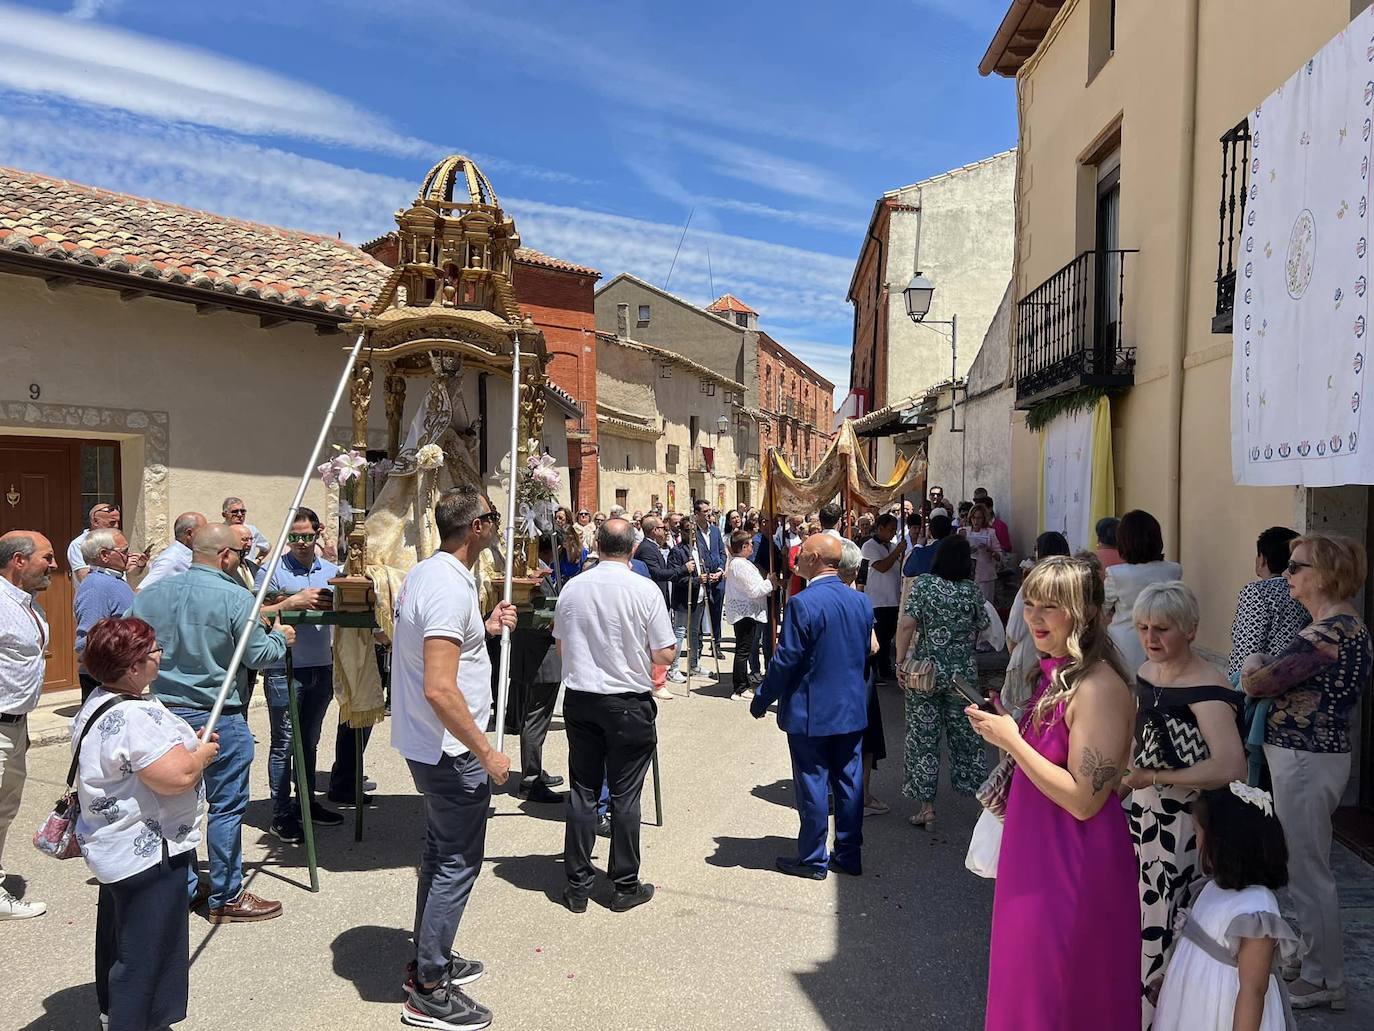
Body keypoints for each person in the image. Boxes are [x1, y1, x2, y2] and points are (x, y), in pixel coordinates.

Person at [967, 555, 1140, 1030]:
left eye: (1051, 607)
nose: (1034, 617)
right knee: (1024, 990)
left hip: (1073, 862)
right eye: (1031, 604)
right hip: (1035, 853)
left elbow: (1086, 800)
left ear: (1082, 612)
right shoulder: (1056, 675)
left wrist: (1013, 741)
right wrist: (1005, 723)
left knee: (1060, 998)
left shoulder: (1098, 687)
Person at [390, 485, 517, 1028]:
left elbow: (439, 651)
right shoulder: (445, 584)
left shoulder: (434, 574)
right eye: (491, 516)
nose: (495, 524)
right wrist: (486, 751)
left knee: (441, 854)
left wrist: (482, 631)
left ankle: (430, 956)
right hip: (449, 750)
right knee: (456, 863)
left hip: (434, 745)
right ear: (476, 527)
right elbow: (440, 689)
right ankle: (429, 986)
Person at [130, 523, 292, 923]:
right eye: (239, 552)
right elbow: (258, 656)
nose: (241, 559)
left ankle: (184, 886)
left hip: (163, 712)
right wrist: (281, 638)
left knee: (173, 804)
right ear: (225, 556)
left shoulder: (150, 595)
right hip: (216, 714)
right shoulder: (236, 598)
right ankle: (226, 894)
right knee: (226, 805)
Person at [1240, 533, 1372, 1011]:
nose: (1288, 574)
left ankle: (1324, 977)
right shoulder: (1335, 626)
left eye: (1297, 567)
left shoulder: (1328, 633)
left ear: (1325, 575)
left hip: (1305, 758)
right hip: (1308, 756)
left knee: (1308, 867)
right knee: (1304, 862)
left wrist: (1254, 662)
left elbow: (1257, 680)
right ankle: (1316, 960)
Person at [72, 617, 217, 1031]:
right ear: (133, 666)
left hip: (117, 848)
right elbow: (176, 778)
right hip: (149, 854)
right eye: (153, 651)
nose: (160, 656)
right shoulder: (134, 715)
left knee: (120, 940)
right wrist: (201, 757)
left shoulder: (99, 700)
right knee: (148, 953)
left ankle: (113, 1014)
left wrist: (190, 746)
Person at [1119, 581, 1246, 1024]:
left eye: (1162, 629)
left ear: (1190, 630)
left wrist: (1153, 777)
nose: (1151, 638)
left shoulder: (1208, 689)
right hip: (1143, 817)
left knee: (1168, 925)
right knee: (1140, 922)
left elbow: (1232, 768)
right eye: (1143, 628)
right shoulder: (1148, 673)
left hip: (1185, 830)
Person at [555, 518, 676, 913]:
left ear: (600, 545)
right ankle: (623, 884)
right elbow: (664, 652)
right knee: (625, 795)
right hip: (626, 701)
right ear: (631, 548)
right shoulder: (643, 589)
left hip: (582, 697)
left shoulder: (573, 587)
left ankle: (577, 885)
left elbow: (562, 646)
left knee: (583, 791)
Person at [751, 533, 874, 878]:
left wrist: (763, 698)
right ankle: (849, 854)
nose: (797, 557)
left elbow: (786, 658)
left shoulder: (804, 603)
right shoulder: (859, 602)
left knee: (813, 784)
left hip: (813, 711)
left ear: (818, 557)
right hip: (850, 708)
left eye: (803, 552)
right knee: (849, 784)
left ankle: (813, 858)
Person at [1151, 784, 1297, 1031]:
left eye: (1198, 833)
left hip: (1223, 1014)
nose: (1195, 841)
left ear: (1225, 844)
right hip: (1191, 1007)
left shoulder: (1255, 911)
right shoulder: (1209, 889)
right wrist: (1170, 981)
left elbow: (1253, 990)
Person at [254, 508, 341, 843]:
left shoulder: (332, 571)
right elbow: (255, 613)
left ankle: (306, 803)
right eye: (295, 537)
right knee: (283, 743)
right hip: (284, 668)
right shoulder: (272, 571)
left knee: (309, 741)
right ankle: (281, 812)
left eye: (307, 536)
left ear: (318, 533)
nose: (302, 543)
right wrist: (293, 600)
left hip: (321, 665)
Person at [894, 536, 989, 829]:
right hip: (963, 674)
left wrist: (900, 661)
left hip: (926, 671)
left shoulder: (924, 584)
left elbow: (907, 623)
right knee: (968, 739)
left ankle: (927, 809)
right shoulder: (971, 590)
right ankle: (980, 805)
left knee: (923, 737)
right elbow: (984, 625)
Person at [0, 530, 56, 920]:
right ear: (19, 561)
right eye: (47, 557)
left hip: (16, 726)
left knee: (4, 810)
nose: (54, 565)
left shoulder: (29, 606)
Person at [839, 540, 887, 817]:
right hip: (859, 677)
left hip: (832, 680)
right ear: (856, 570)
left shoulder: (816, 596)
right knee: (865, 739)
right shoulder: (860, 601)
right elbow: (874, 646)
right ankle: (863, 795)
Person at [1104, 510, 1182, 677]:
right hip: (1164, 641)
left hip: (1125, 644)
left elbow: (1103, 607)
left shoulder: (1117, 574)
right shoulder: (1173, 570)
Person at [1227, 526, 1309, 678]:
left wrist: (1232, 692)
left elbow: (1247, 650)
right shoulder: (1306, 589)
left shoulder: (1256, 592)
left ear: (1262, 559)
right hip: (1294, 677)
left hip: (1262, 684)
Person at [74, 529, 137, 701]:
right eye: (124, 551)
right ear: (104, 555)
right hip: (104, 679)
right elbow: (87, 639)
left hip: (120, 675)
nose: (129, 555)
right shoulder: (96, 586)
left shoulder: (113, 581)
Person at [724, 530, 774, 699]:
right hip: (745, 613)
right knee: (743, 650)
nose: (752, 546)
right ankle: (740, 687)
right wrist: (770, 582)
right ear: (744, 546)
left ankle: (742, 683)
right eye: (750, 544)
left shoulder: (741, 563)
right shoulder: (739, 565)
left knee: (743, 649)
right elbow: (754, 590)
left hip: (746, 611)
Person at [634, 515, 679, 701]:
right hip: (651, 600)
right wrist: (682, 569)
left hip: (659, 597)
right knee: (656, 641)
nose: (665, 530)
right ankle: (657, 682)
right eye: (662, 527)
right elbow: (657, 573)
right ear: (654, 530)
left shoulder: (655, 547)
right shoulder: (647, 549)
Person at [861, 513, 905, 681]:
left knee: (887, 638)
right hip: (877, 600)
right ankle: (873, 671)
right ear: (880, 529)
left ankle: (885, 669)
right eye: (890, 529)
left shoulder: (893, 546)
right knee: (876, 638)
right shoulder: (869, 546)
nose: (893, 532)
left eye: (895, 529)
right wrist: (898, 551)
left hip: (892, 598)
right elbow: (882, 566)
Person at [687, 498, 727, 667]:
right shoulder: (692, 533)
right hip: (701, 579)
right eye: (705, 512)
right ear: (697, 514)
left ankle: (716, 644)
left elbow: (722, 553)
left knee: (716, 613)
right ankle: (698, 645)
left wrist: (719, 570)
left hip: (716, 579)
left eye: (709, 511)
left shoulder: (716, 531)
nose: (709, 514)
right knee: (700, 614)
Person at [68, 503, 136, 584]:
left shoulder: (116, 540)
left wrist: (136, 566)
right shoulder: (79, 544)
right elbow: (85, 579)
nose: (116, 526)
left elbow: (125, 576)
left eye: (118, 522)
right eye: (112, 523)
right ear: (95, 521)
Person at [138, 512, 207, 591]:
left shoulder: (190, 556)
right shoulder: (171, 559)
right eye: (204, 531)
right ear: (189, 533)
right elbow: (141, 591)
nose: (207, 535)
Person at [959, 502, 1002, 604]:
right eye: (974, 517)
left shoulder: (990, 533)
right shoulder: (964, 531)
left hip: (985, 575)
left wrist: (990, 550)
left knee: (986, 604)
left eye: (979, 518)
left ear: (984, 519)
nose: (976, 521)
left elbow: (999, 556)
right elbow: (957, 552)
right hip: (968, 573)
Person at [903, 512, 951, 578]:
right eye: (915, 528)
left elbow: (908, 571)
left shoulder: (921, 552)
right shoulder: (960, 550)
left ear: (930, 532)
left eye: (919, 528)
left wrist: (918, 546)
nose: (917, 531)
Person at [221, 497, 269, 562]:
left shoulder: (252, 530)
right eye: (235, 512)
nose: (240, 515)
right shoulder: (220, 531)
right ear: (224, 514)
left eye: (242, 511)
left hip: (247, 570)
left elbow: (267, 547)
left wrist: (257, 561)